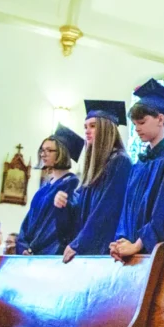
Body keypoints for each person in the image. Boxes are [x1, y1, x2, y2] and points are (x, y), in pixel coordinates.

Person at [110, 79, 164, 260]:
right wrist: (122, 241)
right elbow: (127, 207)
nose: (137, 129)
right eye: (135, 124)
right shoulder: (140, 163)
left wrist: (138, 245)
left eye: (142, 122)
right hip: (132, 251)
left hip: (156, 254)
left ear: (160, 119)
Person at [55, 100, 132, 263]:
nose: (87, 131)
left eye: (93, 126)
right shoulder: (95, 168)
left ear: (106, 129)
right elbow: (80, 212)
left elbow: (105, 210)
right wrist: (64, 205)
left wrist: (79, 243)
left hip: (104, 250)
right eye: (85, 127)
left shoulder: (120, 162)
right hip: (89, 250)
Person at [16, 125, 84, 255]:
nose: (43, 154)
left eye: (48, 150)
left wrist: (36, 249)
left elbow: (61, 231)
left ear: (61, 153)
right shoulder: (43, 190)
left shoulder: (71, 189)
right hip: (31, 255)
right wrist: (23, 247)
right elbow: (27, 224)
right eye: (42, 150)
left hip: (50, 256)